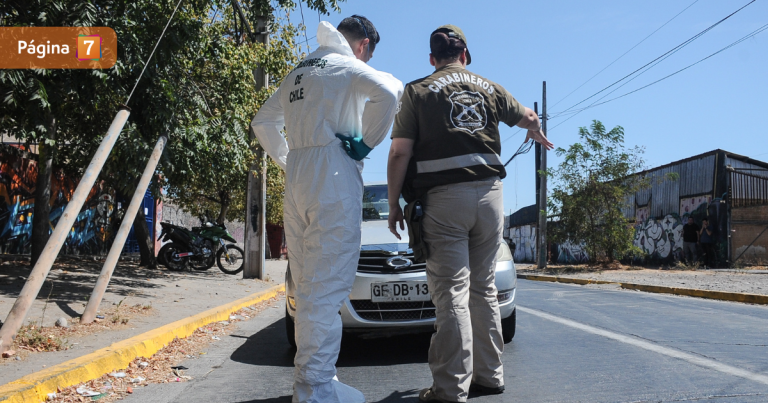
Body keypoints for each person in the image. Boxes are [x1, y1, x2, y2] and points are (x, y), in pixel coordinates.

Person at [386, 25, 553, 403]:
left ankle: (449, 389)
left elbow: (399, 152)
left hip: (444, 202)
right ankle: (491, 376)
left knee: (452, 295)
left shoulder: (418, 91)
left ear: (432, 59)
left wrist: (395, 203)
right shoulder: (490, 87)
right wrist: (536, 130)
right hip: (491, 199)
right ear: (466, 55)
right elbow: (528, 115)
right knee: (484, 289)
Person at [250, 16, 403, 403]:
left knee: (306, 285)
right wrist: (367, 143)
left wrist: (289, 160)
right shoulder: (346, 65)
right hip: (332, 172)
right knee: (328, 283)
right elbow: (388, 89)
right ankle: (314, 388)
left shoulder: (298, 71)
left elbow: (263, 122)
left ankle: (318, 379)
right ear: (364, 44)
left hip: (299, 175)